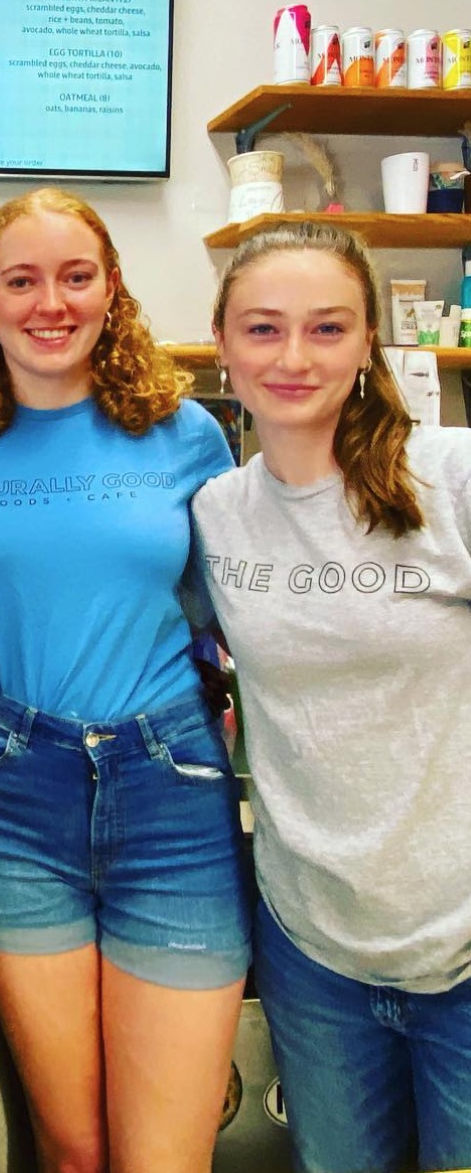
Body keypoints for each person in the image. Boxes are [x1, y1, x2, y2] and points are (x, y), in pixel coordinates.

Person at [0, 187, 250, 1173]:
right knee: (70, 1149)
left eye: (75, 275)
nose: (49, 302)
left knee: (164, 1157)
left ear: (111, 287)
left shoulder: (186, 433)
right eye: (21, 279)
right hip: (11, 792)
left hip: (169, 790)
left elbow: (229, 612)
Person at [194, 220, 471, 1173]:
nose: (294, 357)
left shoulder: (453, 478)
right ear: (223, 342)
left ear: (367, 345)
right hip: (315, 953)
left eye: (327, 328)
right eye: (264, 329)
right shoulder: (217, 513)